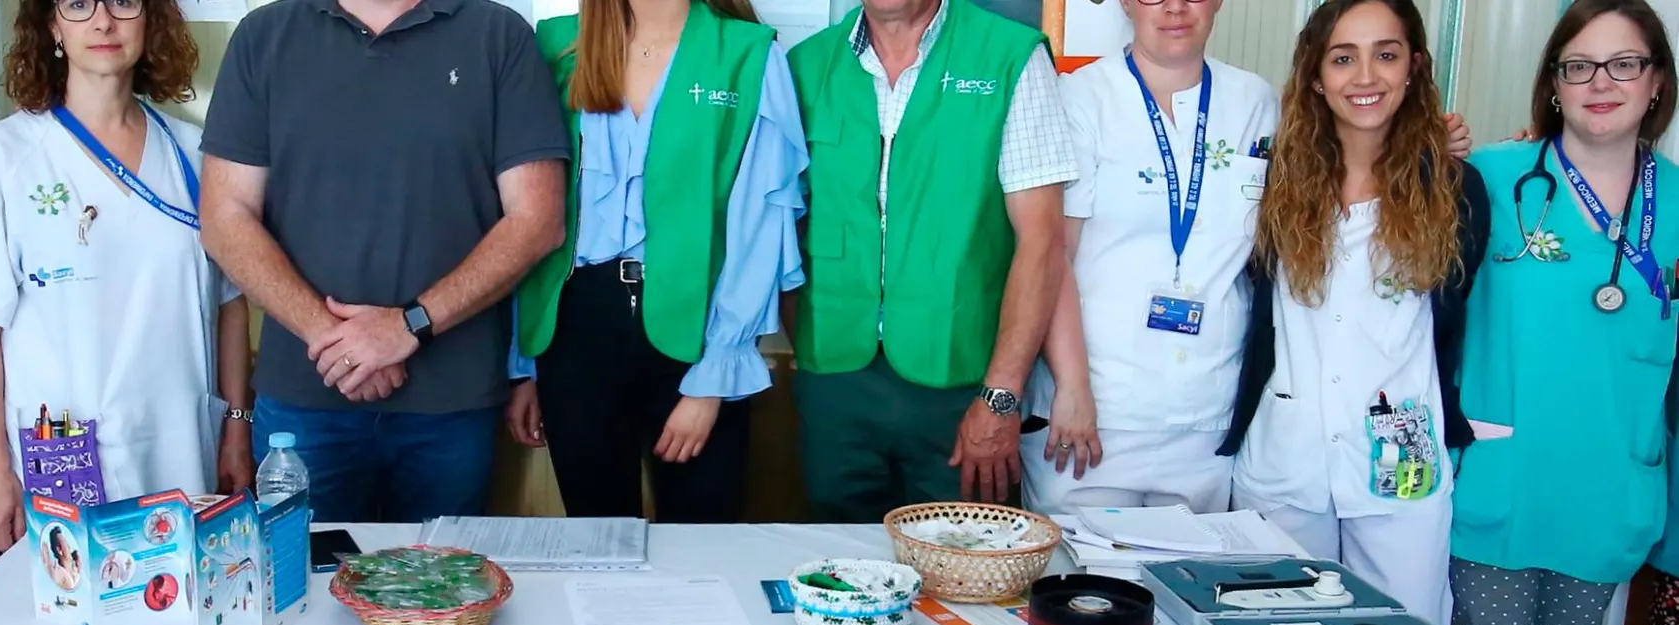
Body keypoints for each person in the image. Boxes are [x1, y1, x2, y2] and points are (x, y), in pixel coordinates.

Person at [1021, 0, 1473, 516]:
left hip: (1209, 418)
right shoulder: (1078, 98)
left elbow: (1351, 139)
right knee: (1080, 587)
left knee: (1187, 587)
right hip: (1090, 412)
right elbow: (1050, 259)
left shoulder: (1256, 103)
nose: (1174, 6)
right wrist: (1073, 387)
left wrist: (1431, 137)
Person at [1448, 0, 1679, 625]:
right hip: (1505, 474)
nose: (1602, 86)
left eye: (1623, 66)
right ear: (1552, 84)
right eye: (1580, 67)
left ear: (1656, 82)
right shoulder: (1495, 179)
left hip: (1613, 483)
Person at [199, 0, 569, 524]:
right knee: (301, 592)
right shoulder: (265, 36)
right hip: (304, 404)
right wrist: (336, 339)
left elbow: (538, 220)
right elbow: (224, 218)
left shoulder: (498, 35)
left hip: (450, 405)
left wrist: (408, 326)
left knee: (439, 598)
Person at [0, 0, 254, 554]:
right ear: (51, 25)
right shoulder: (6, 156)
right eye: (78, 4)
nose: (103, 22)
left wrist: (238, 429)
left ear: (151, 19)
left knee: (181, 623)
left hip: (180, 447)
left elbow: (230, 303)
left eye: (124, 2)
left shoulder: (193, 154)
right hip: (63, 454)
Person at [1219, 0, 1488, 625]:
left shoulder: (1453, 189)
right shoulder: (1272, 184)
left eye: (1386, 55)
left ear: (1415, 68)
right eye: (1344, 58)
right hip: (1286, 458)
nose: (1365, 76)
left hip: (1401, 465)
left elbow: (1454, 313)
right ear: (1316, 75)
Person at [504, 0, 807, 524]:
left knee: (703, 539)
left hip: (701, 332)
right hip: (573, 333)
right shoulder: (553, 46)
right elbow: (528, 218)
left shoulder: (747, 54)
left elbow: (759, 229)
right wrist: (522, 365)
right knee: (594, 540)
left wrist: (715, 379)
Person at [787, 0, 1075, 522]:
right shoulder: (806, 65)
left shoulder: (1009, 57)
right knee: (839, 576)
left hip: (963, 387)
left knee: (964, 576)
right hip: (833, 380)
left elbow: (1042, 242)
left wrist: (1002, 395)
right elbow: (780, 222)